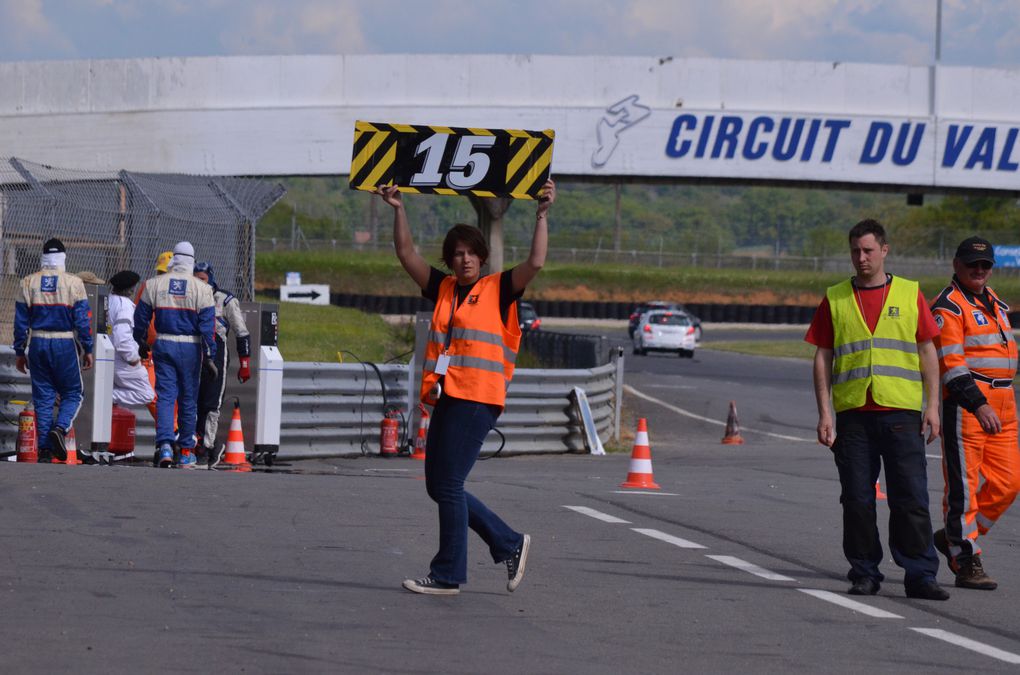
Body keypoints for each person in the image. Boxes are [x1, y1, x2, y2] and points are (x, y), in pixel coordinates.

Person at [375, 178, 556, 595]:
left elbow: (537, 262)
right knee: (438, 486)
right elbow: (406, 254)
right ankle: (509, 543)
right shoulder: (443, 289)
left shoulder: (500, 289)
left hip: (478, 398)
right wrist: (399, 209)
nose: (464, 259)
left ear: (482, 256)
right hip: (448, 395)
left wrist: (542, 216)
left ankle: (448, 575)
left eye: (471, 252)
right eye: (457, 254)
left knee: (449, 485)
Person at [805, 219, 949, 601]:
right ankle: (864, 572)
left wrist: (932, 406)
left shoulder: (908, 293)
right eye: (855, 251)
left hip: (901, 412)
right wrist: (825, 413)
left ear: (884, 250)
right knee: (856, 499)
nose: (861, 258)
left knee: (911, 498)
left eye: (868, 250)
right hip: (853, 415)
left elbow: (926, 351)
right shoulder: (836, 297)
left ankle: (920, 574)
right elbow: (823, 356)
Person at [930, 236, 1020, 591]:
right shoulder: (948, 307)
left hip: (1004, 405)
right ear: (956, 265)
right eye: (972, 264)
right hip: (968, 406)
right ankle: (965, 557)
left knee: (1009, 483)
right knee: (963, 490)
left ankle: (954, 536)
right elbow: (951, 364)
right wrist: (977, 404)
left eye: (985, 265)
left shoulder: (996, 301)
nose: (979, 270)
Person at [134, 242, 216, 468]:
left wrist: (139, 341)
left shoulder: (153, 284)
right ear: (191, 260)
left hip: (163, 344)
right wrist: (210, 355)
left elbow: (140, 318)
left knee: (166, 397)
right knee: (188, 399)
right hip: (191, 347)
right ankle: (187, 450)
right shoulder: (202, 288)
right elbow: (208, 327)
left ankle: (165, 446)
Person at [12, 238, 94, 462]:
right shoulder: (74, 283)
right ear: (63, 257)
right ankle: (60, 429)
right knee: (73, 393)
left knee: (44, 396)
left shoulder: (27, 282)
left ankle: (45, 451)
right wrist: (88, 348)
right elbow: (82, 321)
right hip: (64, 342)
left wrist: (20, 351)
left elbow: (20, 324)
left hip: (36, 343)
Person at [193, 261, 251, 461]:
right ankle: (192, 442)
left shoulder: (225, 300)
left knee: (212, 401)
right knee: (192, 400)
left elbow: (242, 332)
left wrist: (245, 363)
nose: (199, 282)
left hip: (217, 352)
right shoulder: (189, 296)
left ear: (211, 278)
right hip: (192, 351)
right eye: (196, 278)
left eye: (202, 279)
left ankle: (208, 446)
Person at [107, 270, 155, 408]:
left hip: (109, 357)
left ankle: (104, 396)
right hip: (123, 361)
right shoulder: (125, 306)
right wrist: (133, 357)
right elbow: (122, 338)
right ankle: (102, 396)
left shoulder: (108, 300)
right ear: (130, 290)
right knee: (146, 394)